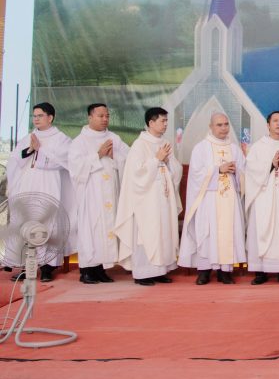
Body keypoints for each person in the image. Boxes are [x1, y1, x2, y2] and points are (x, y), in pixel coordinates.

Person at [6, 102, 74, 282]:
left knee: (48, 222)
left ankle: (47, 267)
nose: (36, 119)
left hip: (48, 184)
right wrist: (30, 149)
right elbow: (16, 159)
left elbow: (65, 161)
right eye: (34, 116)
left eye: (40, 116)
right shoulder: (29, 137)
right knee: (25, 222)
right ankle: (25, 266)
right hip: (27, 184)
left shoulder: (61, 139)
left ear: (50, 117)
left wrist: (40, 150)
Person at [114, 107, 182, 286]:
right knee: (147, 234)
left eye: (166, 121)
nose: (165, 124)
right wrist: (157, 160)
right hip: (146, 201)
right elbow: (136, 174)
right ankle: (143, 273)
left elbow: (176, 170)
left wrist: (167, 162)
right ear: (151, 123)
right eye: (162, 121)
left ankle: (160, 271)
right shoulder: (140, 145)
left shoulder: (164, 143)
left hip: (163, 198)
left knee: (163, 233)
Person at [178, 113, 247, 285]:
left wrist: (238, 173)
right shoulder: (201, 148)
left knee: (229, 233)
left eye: (226, 124)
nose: (223, 128)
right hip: (208, 200)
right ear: (211, 127)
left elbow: (245, 173)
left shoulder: (235, 149)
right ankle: (204, 271)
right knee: (208, 233)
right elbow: (195, 175)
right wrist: (218, 170)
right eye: (219, 125)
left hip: (230, 200)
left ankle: (225, 272)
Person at [69, 103, 129, 284]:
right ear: (90, 117)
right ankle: (87, 270)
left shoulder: (114, 138)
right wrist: (98, 155)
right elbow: (76, 168)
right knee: (92, 229)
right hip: (91, 195)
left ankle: (101, 269)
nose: (105, 119)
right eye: (100, 116)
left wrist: (114, 156)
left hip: (110, 192)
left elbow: (129, 158)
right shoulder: (80, 141)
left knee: (107, 230)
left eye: (107, 116)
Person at [244, 111, 279, 285]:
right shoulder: (258, 147)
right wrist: (270, 164)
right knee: (261, 229)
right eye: (275, 121)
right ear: (268, 124)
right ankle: (260, 272)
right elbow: (250, 169)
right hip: (263, 197)